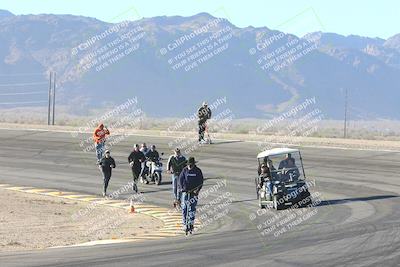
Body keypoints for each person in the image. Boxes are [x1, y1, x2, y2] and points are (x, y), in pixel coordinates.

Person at [178, 157, 204, 234]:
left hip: (194, 192)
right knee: (184, 208)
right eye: (188, 164)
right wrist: (182, 188)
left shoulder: (198, 171)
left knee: (192, 208)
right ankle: (184, 224)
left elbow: (201, 181)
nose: (189, 166)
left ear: (193, 164)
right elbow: (180, 180)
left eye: (191, 165)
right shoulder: (184, 170)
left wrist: (197, 190)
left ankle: (191, 223)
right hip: (185, 192)